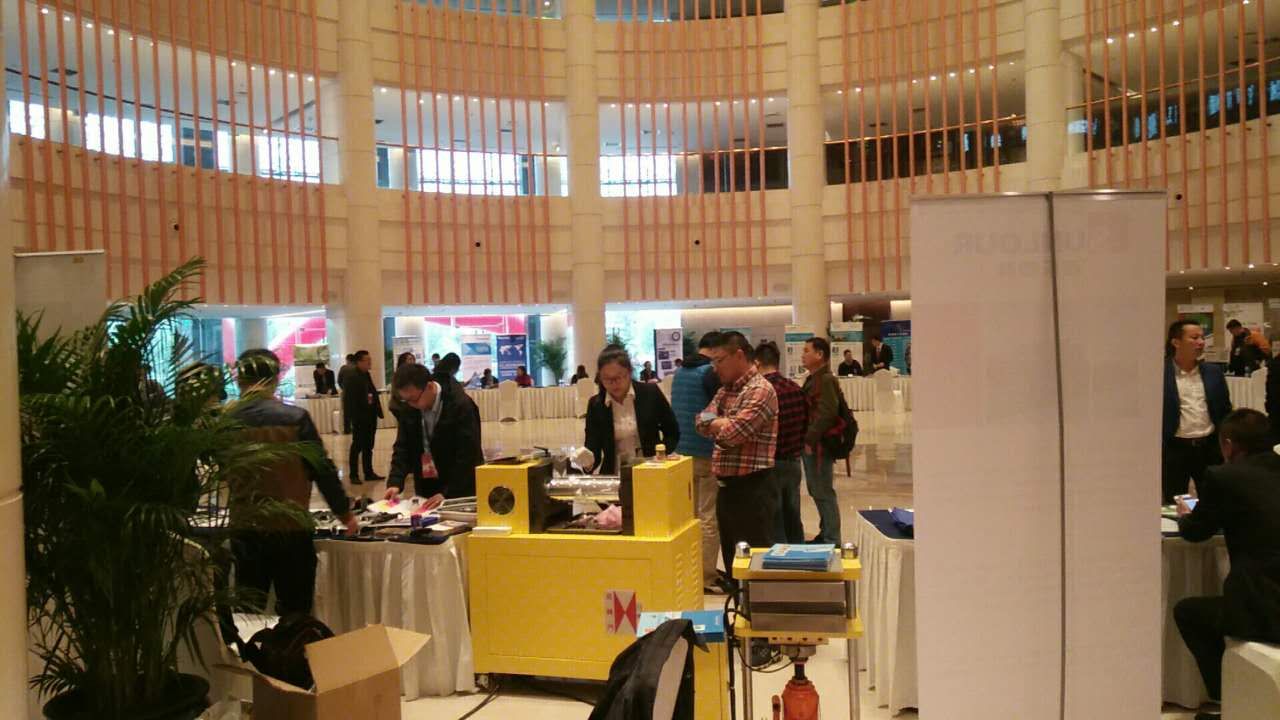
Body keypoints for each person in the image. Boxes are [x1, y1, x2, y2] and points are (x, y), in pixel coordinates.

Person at [229, 349, 357, 617]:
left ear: (239, 379)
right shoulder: (295, 419)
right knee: (296, 614)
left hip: (246, 530)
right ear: (276, 378)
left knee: (247, 615)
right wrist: (344, 514)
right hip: (291, 529)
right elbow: (322, 470)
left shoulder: (227, 422)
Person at [1174, 409, 1280, 718]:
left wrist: (1185, 517)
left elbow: (1196, 532)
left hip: (1264, 608)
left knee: (1188, 612)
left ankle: (1228, 699)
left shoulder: (1224, 477)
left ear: (1229, 445)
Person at [696, 332, 778, 587]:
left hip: (753, 490)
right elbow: (700, 420)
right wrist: (721, 423)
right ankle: (739, 609)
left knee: (755, 569)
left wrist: (719, 424)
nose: (714, 367)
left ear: (739, 355)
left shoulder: (761, 390)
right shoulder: (725, 390)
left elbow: (733, 434)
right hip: (727, 489)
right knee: (734, 567)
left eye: (719, 360)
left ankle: (759, 612)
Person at [386, 362, 485, 506]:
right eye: (406, 400)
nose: (411, 405)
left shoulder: (461, 406)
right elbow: (403, 446)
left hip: (459, 490)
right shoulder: (410, 406)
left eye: (414, 400)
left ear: (430, 387)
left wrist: (448, 494)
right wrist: (395, 482)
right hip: (426, 486)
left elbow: (468, 455)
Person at [673, 332, 726, 593]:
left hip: (681, 453)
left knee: (690, 517)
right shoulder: (708, 373)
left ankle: (690, 570)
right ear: (714, 350)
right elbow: (712, 411)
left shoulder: (679, 372)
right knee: (708, 517)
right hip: (705, 452)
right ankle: (706, 575)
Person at [1164, 320, 1232, 505]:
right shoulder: (1161, 373)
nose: (1201, 342)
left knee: (1214, 500)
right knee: (1175, 501)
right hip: (1175, 448)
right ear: (1176, 342)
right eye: (1194, 338)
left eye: (1202, 337)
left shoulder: (1213, 372)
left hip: (1209, 447)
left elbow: (1224, 409)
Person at [584, 347, 680, 474]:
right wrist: (587, 462)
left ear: (629, 372)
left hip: (651, 471)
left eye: (619, 377)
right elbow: (593, 447)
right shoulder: (596, 405)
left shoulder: (650, 393)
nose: (614, 384)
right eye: (607, 379)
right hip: (615, 474)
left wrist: (661, 455)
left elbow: (672, 431)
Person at [756, 341, 807, 545]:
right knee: (793, 516)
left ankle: (780, 560)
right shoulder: (795, 388)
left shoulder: (761, 392)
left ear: (757, 363)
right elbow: (806, 422)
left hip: (770, 464)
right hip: (793, 462)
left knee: (774, 520)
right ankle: (800, 557)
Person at [801, 336, 843, 545]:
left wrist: (809, 439)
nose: (803, 355)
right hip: (814, 443)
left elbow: (827, 413)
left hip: (819, 445)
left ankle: (832, 538)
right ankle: (826, 531)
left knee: (823, 490)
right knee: (816, 488)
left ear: (819, 354)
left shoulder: (825, 379)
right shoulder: (814, 378)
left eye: (807, 351)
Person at [342, 350, 384, 484]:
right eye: (367, 360)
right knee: (357, 446)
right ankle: (353, 475)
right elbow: (348, 400)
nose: (370, 362)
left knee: (368, 446)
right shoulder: (352, 377)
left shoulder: (366, 374)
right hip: (360, 418)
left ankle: (368, 472)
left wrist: (377, 410)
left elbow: (372, 393)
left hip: (370, 416)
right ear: (359, 362)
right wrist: (348, 421)